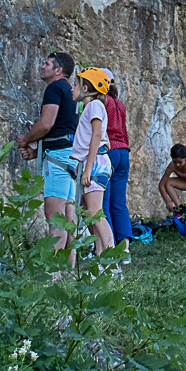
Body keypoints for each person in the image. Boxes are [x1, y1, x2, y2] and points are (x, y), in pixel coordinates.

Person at [14, 52, 79, 254]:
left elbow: (46, 124)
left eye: (47, 63)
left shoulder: (53, 88)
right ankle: (69, 268)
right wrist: (35, 152)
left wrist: (26, 139)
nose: (42, 66)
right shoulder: (69, 90)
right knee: (68, 214)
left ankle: (54, 274)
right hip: (68, 155)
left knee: (54, 216)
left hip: (58, 159)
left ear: (58, 70)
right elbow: (61, 127)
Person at [71, 68, 116, 261]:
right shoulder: (88, 108)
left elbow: (96, 135)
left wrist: (87, 168)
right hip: (91, 162)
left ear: (86, 87)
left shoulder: (95, 105)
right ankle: (100, 254)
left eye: (76, 84)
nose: (73, 88)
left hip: (96, 162)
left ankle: (111, 260)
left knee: (96, 213)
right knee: (88, 212)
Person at [98, 69, 132, 263]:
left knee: (104, 203)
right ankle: (125, 249)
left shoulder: (103, 101)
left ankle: (108, 248)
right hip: (123, 152)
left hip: (109, 151)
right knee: (119, 202)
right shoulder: (120, 103)